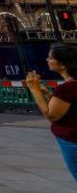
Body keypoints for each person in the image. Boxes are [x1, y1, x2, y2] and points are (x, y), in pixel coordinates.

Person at [24, 43, 77, 182]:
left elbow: (52, 115)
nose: (48, 60)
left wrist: (34, 89)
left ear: (63, 64)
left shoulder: (67, 87)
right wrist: (48, 94)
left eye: (50, 58)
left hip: (72, 139)